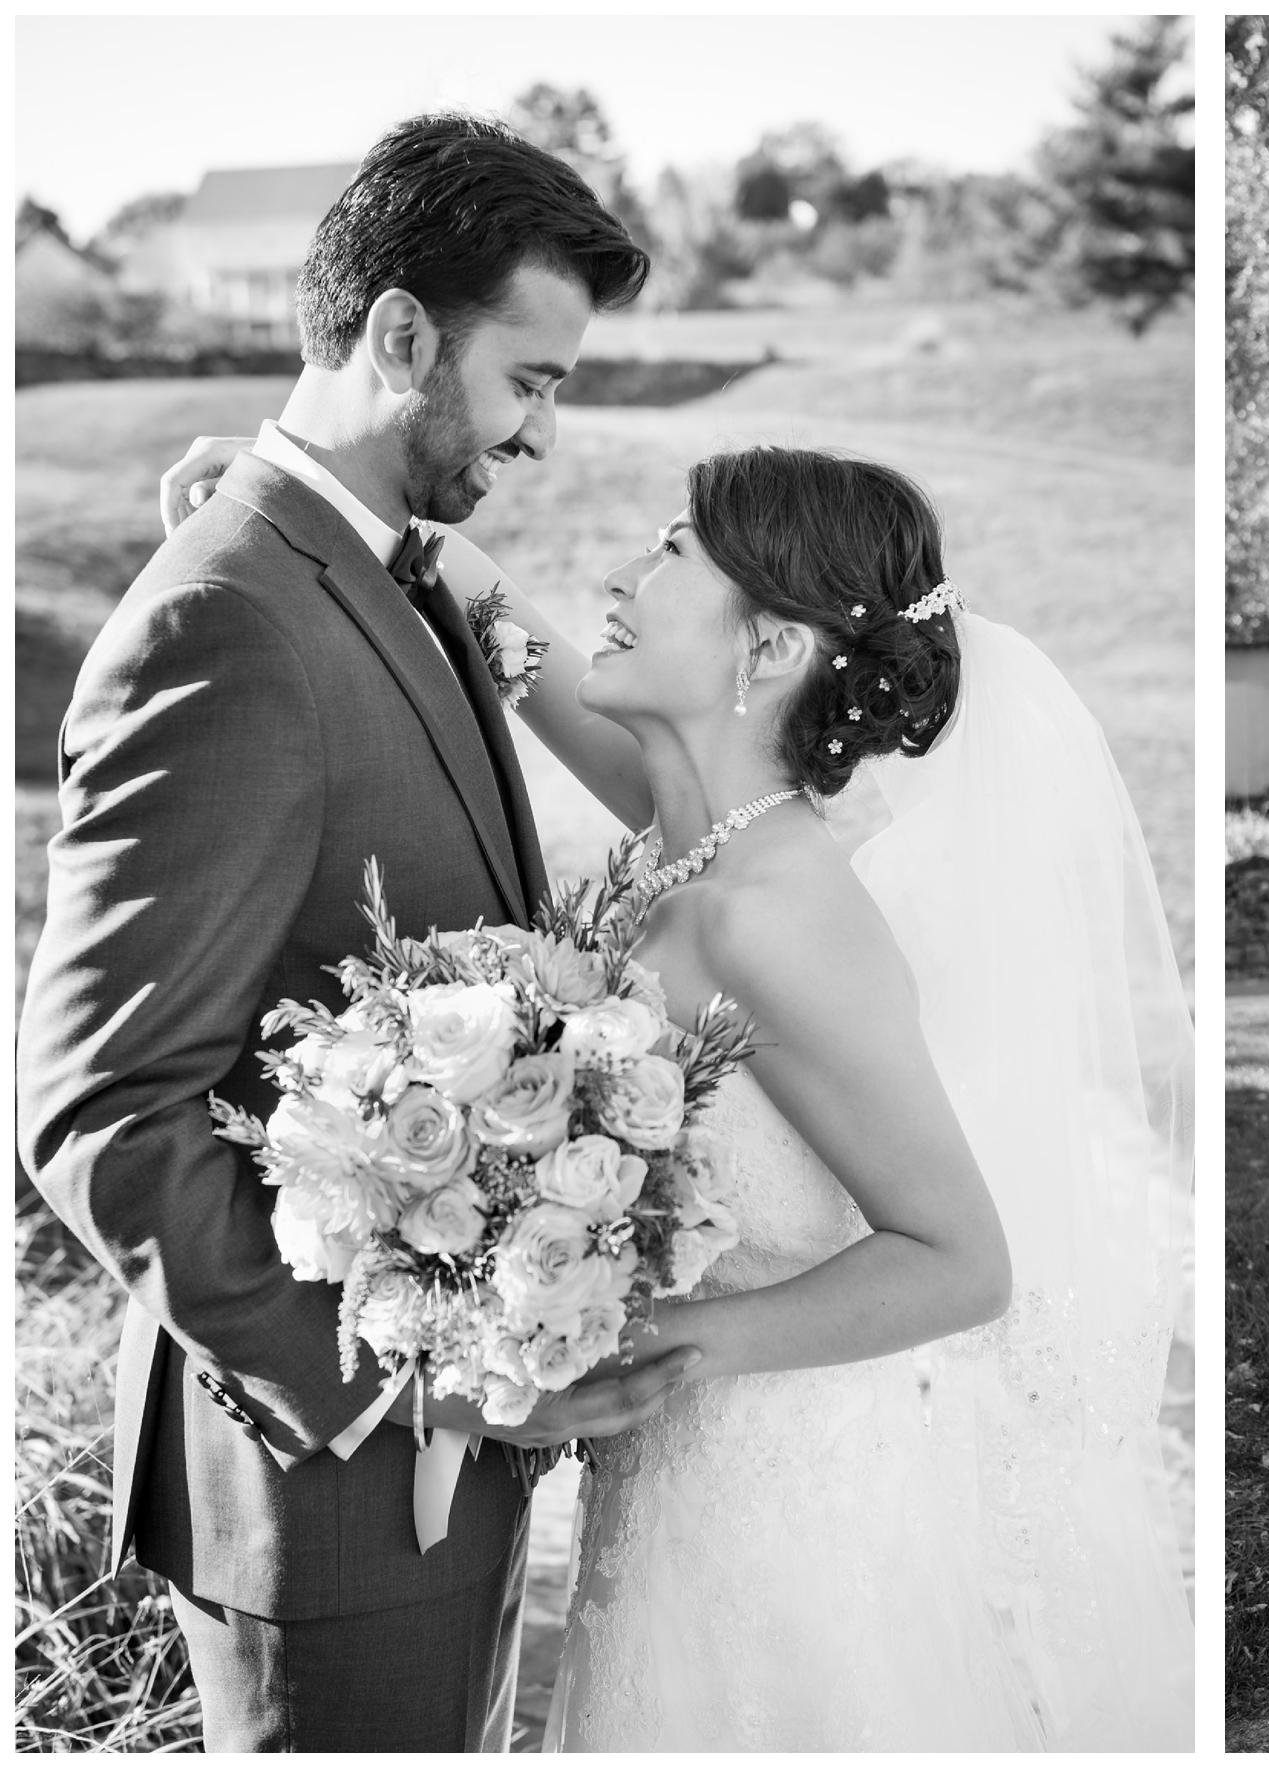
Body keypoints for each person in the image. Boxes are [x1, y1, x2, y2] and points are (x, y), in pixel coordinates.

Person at [158, 443, 1196, 1748]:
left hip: (786, 1512)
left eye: (667, 556)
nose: (617, 574)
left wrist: (671, 1346)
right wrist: (278, 492)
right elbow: (497, 626)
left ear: (765, 653)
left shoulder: (782, 917)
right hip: (679, 1481)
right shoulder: (696, 828)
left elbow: (962, 1260)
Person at [19, 113, 661, 1751]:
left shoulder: (383, 568)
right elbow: (101, 1114)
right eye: (531, 381)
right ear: (397, 333)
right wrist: (411, 1387)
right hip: (326, 1491)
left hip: (424, 1490)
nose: (540, 432)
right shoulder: (227, 617)